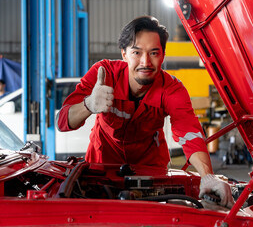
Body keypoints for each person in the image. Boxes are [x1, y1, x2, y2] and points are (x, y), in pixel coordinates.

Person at [56, 16, 234, 208]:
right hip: (102, 166)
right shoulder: (104, 73)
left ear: (163, 55)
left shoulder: (172, 89)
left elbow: (189, 133)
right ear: (124, 54)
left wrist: (208, 177)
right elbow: (63, 122)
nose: (145, 62)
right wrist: (88, 104)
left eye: (154, 53)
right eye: (136, 52)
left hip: (151, 171)